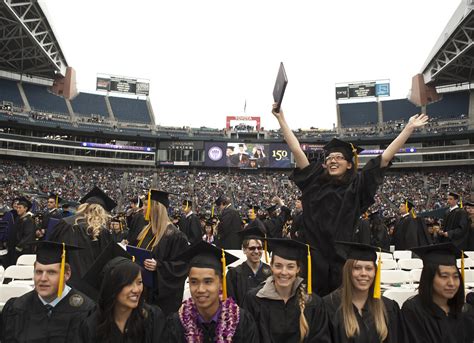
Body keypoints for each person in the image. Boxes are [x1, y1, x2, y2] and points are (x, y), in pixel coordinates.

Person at [272, 103, 428, 295]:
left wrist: (408, 128)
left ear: (348, 164)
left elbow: (384, 158)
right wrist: (281, 119)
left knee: (340, 311)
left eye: (339, 157)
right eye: (329, 158)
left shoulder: (357, 188)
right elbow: (296, 149)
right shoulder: (313, 183)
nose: (332, 160)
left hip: (343, 260)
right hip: (311, 260)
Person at [0, 241, 95, 342]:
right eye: (39, 272)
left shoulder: (86, 311)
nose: (43, 278)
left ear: (66, 274)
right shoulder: (17, 308)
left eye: (51, 272)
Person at [166, 241, 259, 342]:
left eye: (208, 281)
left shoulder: (242, 323)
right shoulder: (177, 323)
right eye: (194, 282)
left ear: (220, 282)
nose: (200, 289)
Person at [243, 238, 331, 343]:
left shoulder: (313, 303)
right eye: (278, 266)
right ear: (271, 266)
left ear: (298, 269)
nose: (284, 272)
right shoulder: (253, 300)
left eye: (290, 267)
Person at [78, 243, 166, 342]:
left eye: (139, 282)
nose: (137, 289)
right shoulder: (92, 326)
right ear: (112, 287)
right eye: (128, 283)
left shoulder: (152, 318)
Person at [323, 242, 404, 343]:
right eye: (357, 268)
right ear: (348, 271)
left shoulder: (388, 307)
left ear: (375, 272)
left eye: (369, 268)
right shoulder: (329, 306)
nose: (363, 273)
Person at [129, 189, 189, 316]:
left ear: (156, 208)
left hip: (159, 301)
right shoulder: (145, 231)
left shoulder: (175, 236)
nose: (142, 208)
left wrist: (159, 266)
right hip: (141, 292)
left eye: (146, 204)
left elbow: (182, 267)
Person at [402, 243, 474, 343]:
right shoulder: (413, 310)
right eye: (444, 276)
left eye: (456, 276)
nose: (451, 283)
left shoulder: (465, 311)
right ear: (429, 278)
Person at [48, 186, 115, 287]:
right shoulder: (102, 231)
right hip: (90, 283)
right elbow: (106, 261)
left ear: (84, 206)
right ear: (102, 211)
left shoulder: (65, 223)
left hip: (63, 277)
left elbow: (51, 248)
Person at [226, 226, 272, 306]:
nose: (257, 251)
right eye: (252, 248)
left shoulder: (270, 272)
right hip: (242, 316)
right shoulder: (234, 274)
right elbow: (231, 303)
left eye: (259, 248)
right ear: (244, 250)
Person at [5, 196, 35, 267]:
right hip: (14, 247)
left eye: (20, 208)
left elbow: (28, 236)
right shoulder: (18, 218)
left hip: (22, 250)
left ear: (25, 209)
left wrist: (19, 247)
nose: (17, 209)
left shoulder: (29, 220)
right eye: (17, 208)